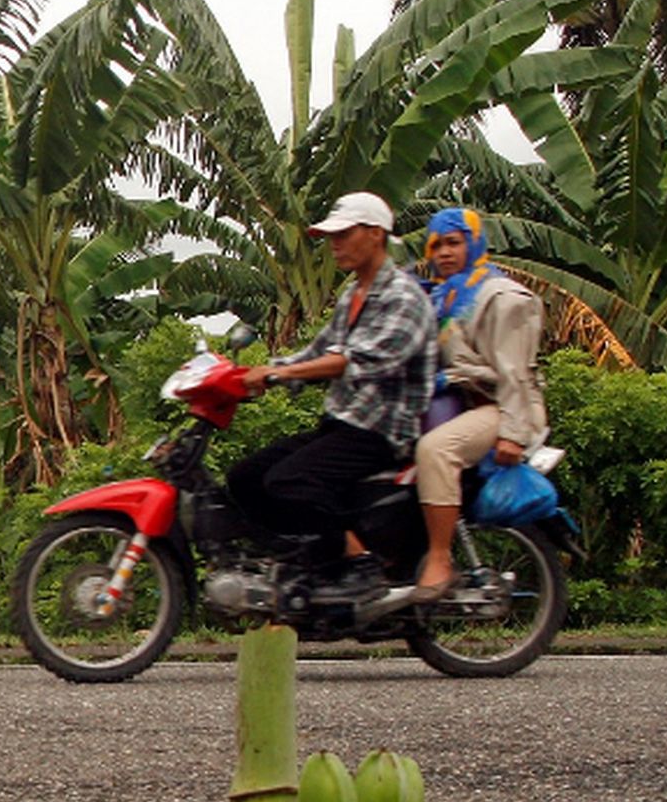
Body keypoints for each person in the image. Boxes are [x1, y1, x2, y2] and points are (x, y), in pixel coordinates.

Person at [228, 191, 437, 600]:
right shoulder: (353, 294)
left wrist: (279, 373)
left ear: (376, 234)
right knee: (245, 478)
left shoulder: (403, 297)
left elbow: (354, 360)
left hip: (381, 431)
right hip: (343, 423)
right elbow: (318, 352)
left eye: (343, 234)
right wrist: (248, 373)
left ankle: (359, 561)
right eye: (330, 236)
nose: (334, 244)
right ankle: (310, 559)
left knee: (290, 479)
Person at [403, 207, 548, 601]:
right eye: (436, 245)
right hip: (463, 403)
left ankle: (439, 559)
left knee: (435, 451)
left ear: (475, 242)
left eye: (454, 243)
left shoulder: (500, 297)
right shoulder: (444, 295)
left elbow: (516, 372)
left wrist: (514, 435)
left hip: (501, 406)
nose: (444, 253)